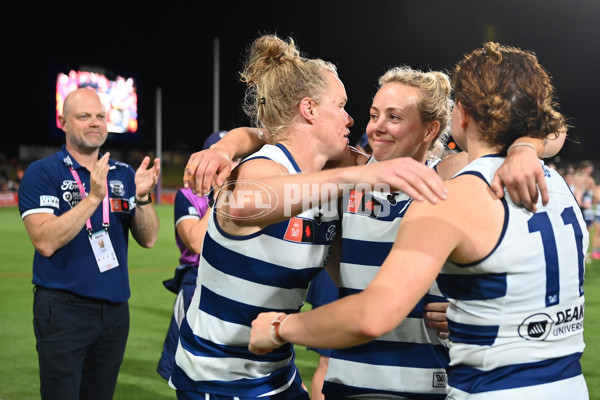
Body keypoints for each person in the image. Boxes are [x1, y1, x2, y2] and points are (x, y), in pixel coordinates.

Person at [185, 62, 563, 398]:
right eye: (372, 113)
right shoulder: (353, 171)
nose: (373, 126)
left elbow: (550, 127)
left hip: (426, 378)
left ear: (431, 130)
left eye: (394, 117)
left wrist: (523, 150)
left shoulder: (448, 177)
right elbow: (279, 134)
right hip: (345, 378)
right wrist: (229, 144)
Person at [169, 33, 449, 400]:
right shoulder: (263, 167)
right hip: (221, 381)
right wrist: (226, 147)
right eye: (342, 105)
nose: (353, 119)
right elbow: (245, 204)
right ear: (309, 110)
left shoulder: (329, 177)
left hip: (277, 376)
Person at [18, 88, 160, 400]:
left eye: (99, 116)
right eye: (83, 116)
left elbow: (148, 239)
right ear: (63, 122)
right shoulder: (43, 172)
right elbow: (44, 240)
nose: (94, 123)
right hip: (63, 309)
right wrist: (94, 197)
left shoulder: (123, 174)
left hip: (114, 311)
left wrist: (141, 198)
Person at [156, 132, 227, 381]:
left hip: (231, 283)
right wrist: (220, 197)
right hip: (195, 282)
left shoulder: (246, 194)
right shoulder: (188, 195)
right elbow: (196, 242)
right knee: (187, 369)